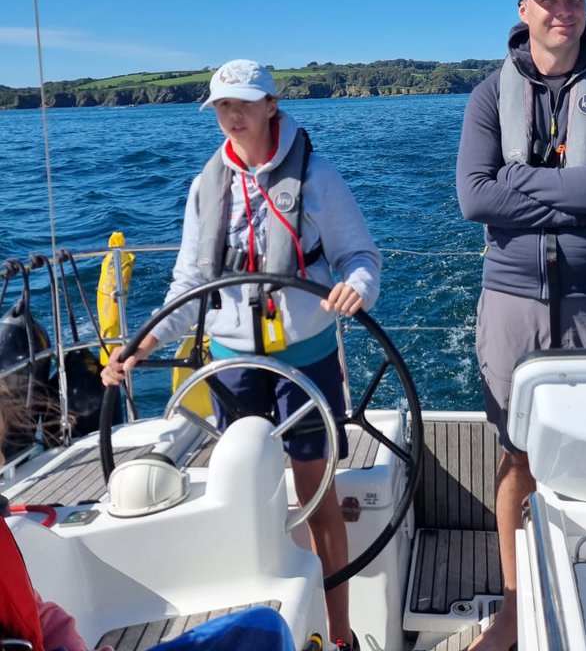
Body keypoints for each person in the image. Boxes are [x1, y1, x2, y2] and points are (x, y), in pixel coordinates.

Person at [102, 59, 380, 651]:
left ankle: (338, 637)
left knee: (315, 494)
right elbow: (187, 285)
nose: (232, 116)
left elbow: (361, 257)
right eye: (223, 106)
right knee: (247, 497)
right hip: (231, 366)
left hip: (304, 362)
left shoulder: (319, 179)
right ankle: (269, 623)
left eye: (244, 104)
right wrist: (141, 344)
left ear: (271, 105)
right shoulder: (207, 187)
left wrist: (356, 287)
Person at [456, 0, 586, 651]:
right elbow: (475, 197)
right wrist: (573, 196)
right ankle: (513, 607)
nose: (563, 8)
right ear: (524, 10)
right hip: (513, 301)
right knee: (518, 457)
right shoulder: (485, 97)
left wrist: (521, 186)